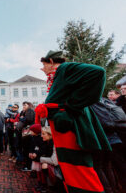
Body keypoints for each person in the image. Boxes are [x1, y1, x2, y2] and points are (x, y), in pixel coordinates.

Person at [35, 50, 111, 193]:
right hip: (63, 131)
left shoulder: (64, 68)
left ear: (51, 62)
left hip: (70, 131)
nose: (42, 68)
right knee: (71, 173)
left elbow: (98, 73)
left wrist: (70, 109)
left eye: (44, 64)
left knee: (80, 174)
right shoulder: (58, 75)